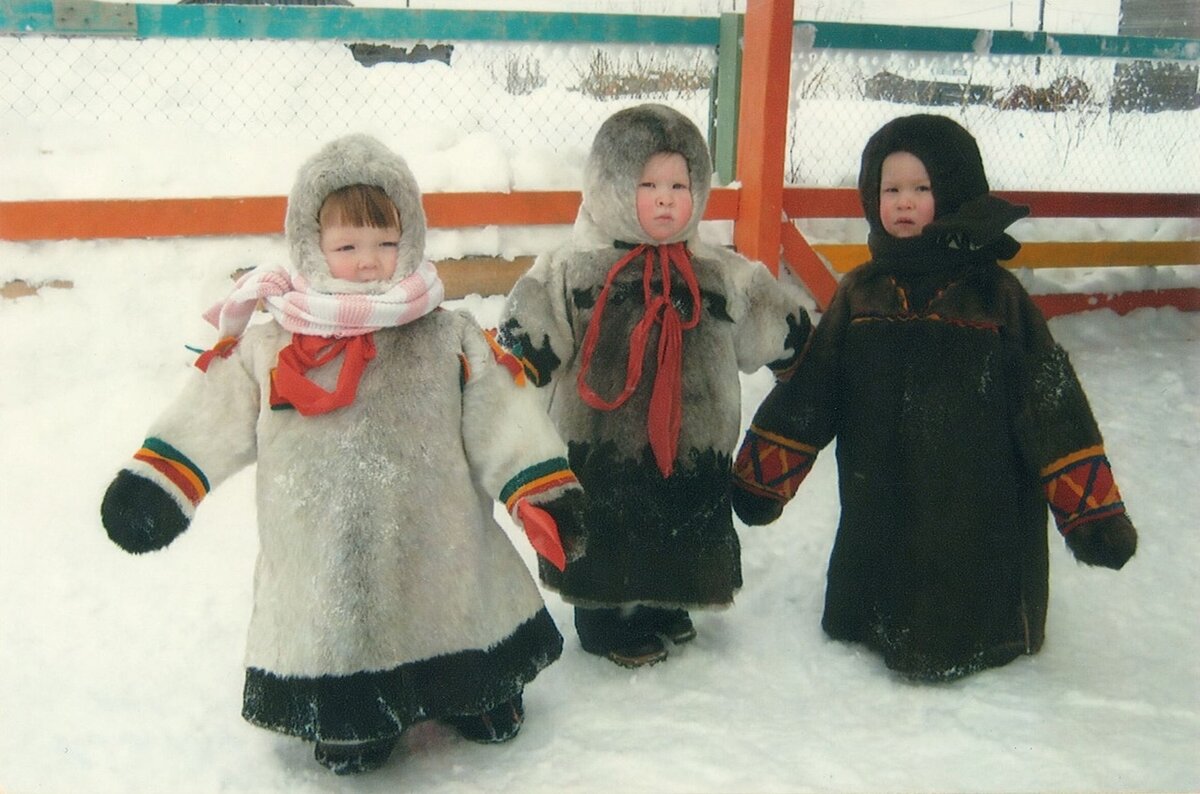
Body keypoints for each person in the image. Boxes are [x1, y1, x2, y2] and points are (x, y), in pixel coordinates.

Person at [99, 134, 586, 774]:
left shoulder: (447, 338)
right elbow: (210, 412)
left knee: (455, 601)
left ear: (410, 239)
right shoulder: (272, 345)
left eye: (387, 244)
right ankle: (349, 713)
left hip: (438, 541)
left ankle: (477, 686)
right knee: (337, 616)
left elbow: (503, 416)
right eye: (347, 246)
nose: (368, 262)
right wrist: (159, 484)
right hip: (321, 547)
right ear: (311, 246)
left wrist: (541, 492)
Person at [732, 113, 1138, 681]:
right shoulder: (862, 292)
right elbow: (814, 387)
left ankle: (980, 632)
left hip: (979, 501)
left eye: (921, 188)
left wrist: (1091, 513)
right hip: (881, 490)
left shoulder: (996, 296)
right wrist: (761, 476)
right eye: (890, 189)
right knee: (880, 568)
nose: (903, 202)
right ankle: (873, 620)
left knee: (965, 579)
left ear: (954, 191)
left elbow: (1052, 401)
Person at [495, 104, 810, 668]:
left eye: (678, 184)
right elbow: (531, 329)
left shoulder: (717, 270)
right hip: (598, 442)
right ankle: (603, 618)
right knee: (608, 524)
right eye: (646, 184)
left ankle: (667, 599)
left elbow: (770, 317)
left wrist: (796, 347)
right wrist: (519, 364)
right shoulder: (573, 268)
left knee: (681, 519)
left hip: (694, 443)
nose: (666, 198)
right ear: (609, 186)